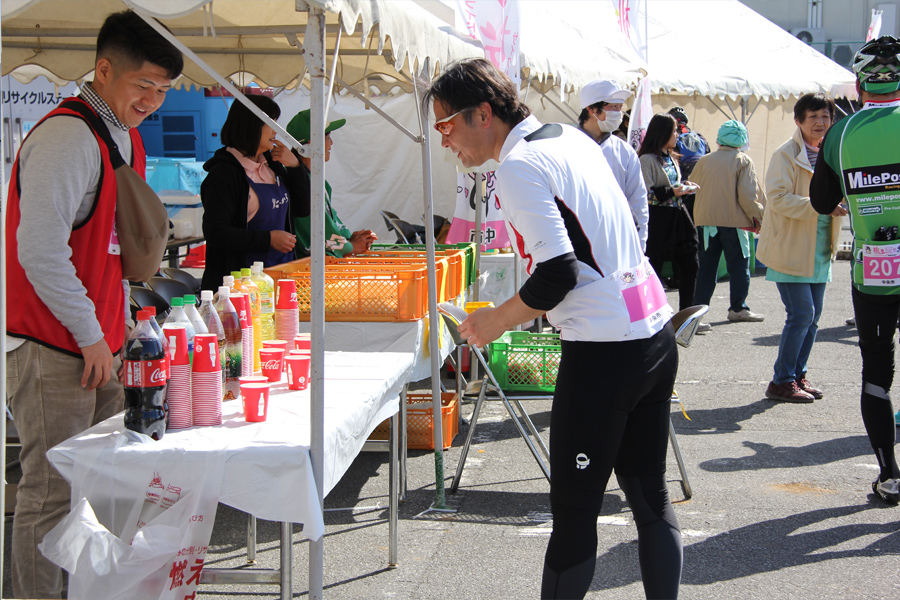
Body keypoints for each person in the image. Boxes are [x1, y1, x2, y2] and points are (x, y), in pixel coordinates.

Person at [425, 58, 681, 600]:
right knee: (650, 500)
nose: (443, 140)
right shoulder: (565, 134)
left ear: (483, 115)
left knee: (574, 517)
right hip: (651, 329)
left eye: (446, 125)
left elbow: (559, 273)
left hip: (606, 351)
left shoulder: (518, 165)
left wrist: (492, 322)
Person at [4, 11, 183, 598]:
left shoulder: (121, 135)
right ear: (104, 71)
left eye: (163, 90)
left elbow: (107, 243)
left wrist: (125, 323)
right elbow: (39, 251)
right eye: (143, 85)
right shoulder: (66, 136)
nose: (153, 101)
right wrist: (88, 333)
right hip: (57, 347)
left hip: (103, 342)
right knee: (51, 493)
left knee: (102, 490)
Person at [810, 35, 900, 505]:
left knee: (877, 370)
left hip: (875, 266)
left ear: (862, 81)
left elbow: (822, 202)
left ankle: (889, 474)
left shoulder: (841, 133)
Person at [758, 93, 844, 403]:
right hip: (790, 248)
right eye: (814, 117)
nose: (821, 123)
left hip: (820, 247)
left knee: (813, 316)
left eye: (825, 117)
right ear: (798, 121)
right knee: (801, 314)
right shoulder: (786, 153)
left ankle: (796, 375)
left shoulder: (831, 152)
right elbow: (777, 198)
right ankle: (781, 381)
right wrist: (821, 207)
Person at [200, 94, 306, 291]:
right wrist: (268, 239)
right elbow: (216, 232)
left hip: (278, 276)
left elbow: (303, 208)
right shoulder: (224, 173)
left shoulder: (272, 165)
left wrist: (294, 166)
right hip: (239, 285)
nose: (276, 130)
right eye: (270, 123)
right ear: (251, 124)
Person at [691, 120, 767, 326]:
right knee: (739, 266)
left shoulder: (705, 160)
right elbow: (748, 196)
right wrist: (760, 216)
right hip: (735, 223)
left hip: (706, 223)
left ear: (719, 138)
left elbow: (692, 187)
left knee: (706, 269)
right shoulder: (742, 160)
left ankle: (696, 315)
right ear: (742, 139)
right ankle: (738, 308)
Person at [285, 109, 377, 256]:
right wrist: (349, 246)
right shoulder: (298, 182)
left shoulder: (318, 181)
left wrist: (349, 239)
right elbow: (314, 233)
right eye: (327, 136)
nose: (331, 142)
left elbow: (330, 222)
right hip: (307, 268)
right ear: (312, 141)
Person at [577, 79, 649, 251]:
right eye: (612, 107)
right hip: (577, 239)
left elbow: (638, 200)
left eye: (620, 107)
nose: (619, 113)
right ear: (591, 109)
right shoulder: (566, 144)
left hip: (616, 241)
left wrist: (640, 244)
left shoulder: (624, 151)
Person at [638, 113, 700, 311]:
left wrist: (685, 186)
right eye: (674, 130)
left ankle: (687, 314)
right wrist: (672, 191)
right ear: (662, 132)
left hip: (678, 218)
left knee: (691, 264)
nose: (677, 135)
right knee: (654, 268)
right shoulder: (647, 159)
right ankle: (653, 313)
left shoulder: (672, 157)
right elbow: (644, 194)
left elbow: (673, 185)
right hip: (658, 221)